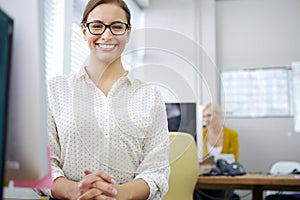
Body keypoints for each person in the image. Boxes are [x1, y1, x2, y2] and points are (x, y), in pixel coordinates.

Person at [40, 0, 170, 199]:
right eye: (97, 26)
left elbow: (157, 171)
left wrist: (118, 194)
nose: (107, 35)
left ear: (128, 32)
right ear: (84, 30)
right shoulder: (55, 90)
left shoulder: (150, 96)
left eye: (117, 27)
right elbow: (43, 165)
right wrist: (74, 191)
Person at [194, 102, 240, 200]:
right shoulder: (200, 134)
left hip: (224, 181)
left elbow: (234, 160)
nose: (206, 119)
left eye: (209, 115)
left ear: (218, 116)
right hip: (205, 180)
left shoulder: (232, 135)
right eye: (204, 116)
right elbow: (196, 159)